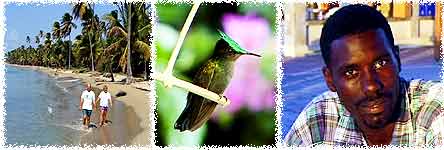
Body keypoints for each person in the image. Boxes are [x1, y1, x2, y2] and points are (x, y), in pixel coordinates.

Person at [284, 4, 444, 146]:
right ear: (330, 80)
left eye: (380, 64)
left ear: (397, 59)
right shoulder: (319, 121)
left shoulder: (434, 110)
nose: (371, 86)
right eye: (351, 72)